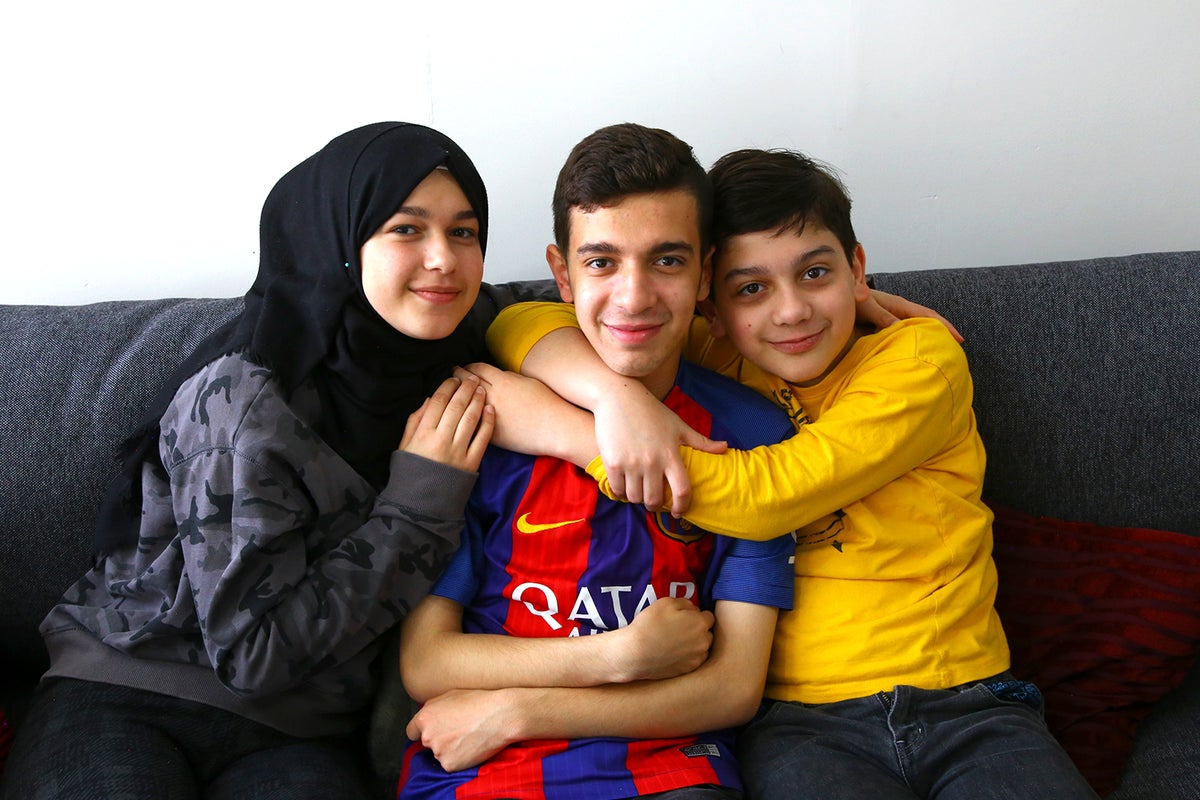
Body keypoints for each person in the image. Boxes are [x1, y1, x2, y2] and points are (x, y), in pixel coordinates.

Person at [483, 147, 1100, 798]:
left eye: (815, 274)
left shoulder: (919, 359)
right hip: (801, 723)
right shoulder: (716, 349)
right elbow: (517, 318)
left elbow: (766, 498)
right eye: (752, 287)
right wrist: (616, 400)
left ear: (857, 267)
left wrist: (587, 440)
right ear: (711, 302)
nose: (790, 312)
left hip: (966, 702)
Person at [0, 122, 500, 800]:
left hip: (302, 732)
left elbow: (549, 331)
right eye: (406, 230)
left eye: (464, 232)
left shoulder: (453, 364)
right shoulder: (244, 395)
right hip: (129, 690)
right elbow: (252, 655)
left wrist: (623, 412)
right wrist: (417, 507)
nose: (443, 257)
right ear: (339, 243)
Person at [396, 123, 796, 800]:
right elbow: (426, 661)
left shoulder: (752, 430)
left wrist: (524, 708)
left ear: (705, 272)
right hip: (477, 769)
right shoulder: (482, 417)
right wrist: (618, 657)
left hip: (668, 770)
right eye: (602, 263)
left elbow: (732, 688)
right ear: (562, 273)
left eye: (667, 261)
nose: (634, 297)